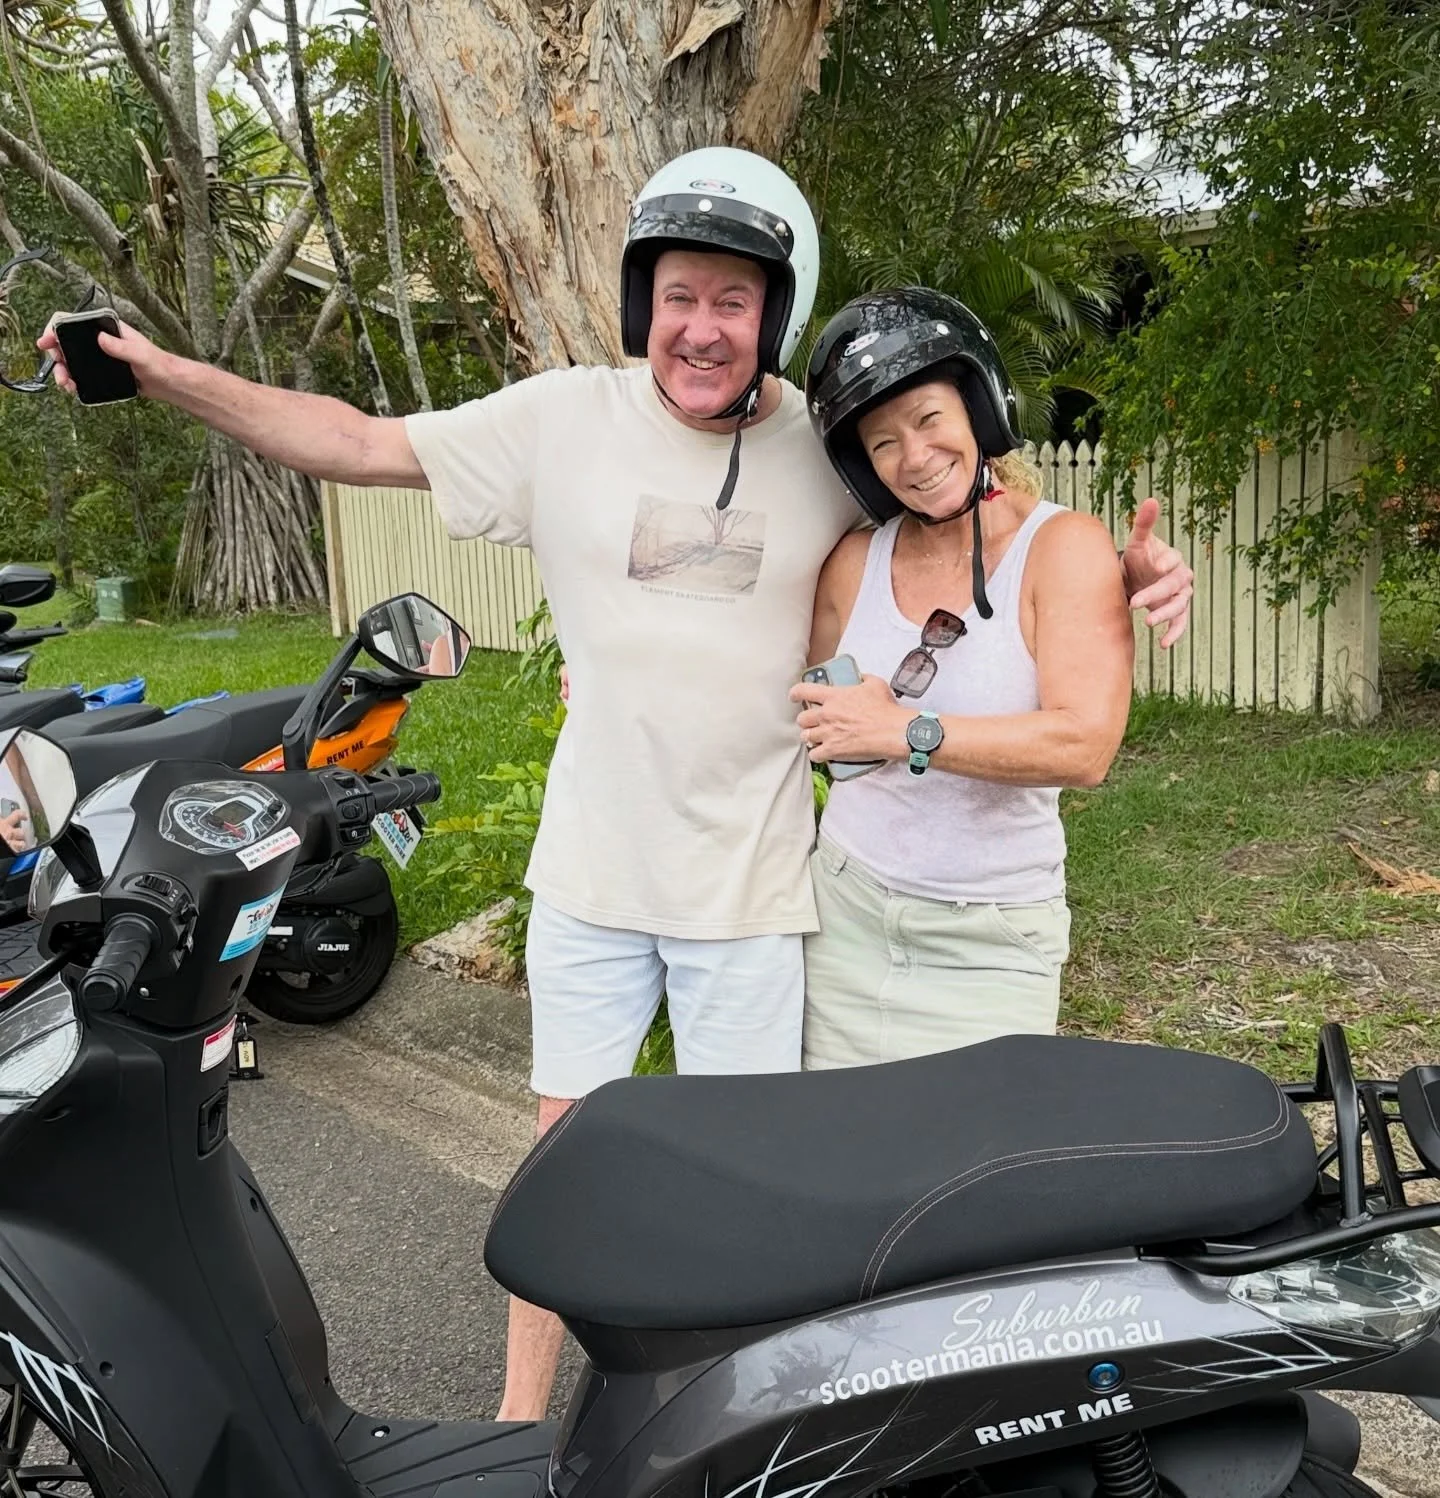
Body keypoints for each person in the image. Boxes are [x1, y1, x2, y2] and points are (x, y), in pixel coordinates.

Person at [38, 146, 1194, 1421]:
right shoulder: (562, 419)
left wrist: (1117, 583)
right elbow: (355, 440)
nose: (705, 328)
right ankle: (523, 1420)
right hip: (593, 867)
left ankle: (717, 1419)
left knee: (748, 1178)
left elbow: (958, 493)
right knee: (565, 1157)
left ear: (774, 318)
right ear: (646, 301)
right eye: (682, 296)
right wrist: (160, 371)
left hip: (755, 886)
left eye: (735, 303)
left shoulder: (825, 442)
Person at [793, 288, 1136, 1068]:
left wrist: (903, 730)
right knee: (841, 1158)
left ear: (978, 408)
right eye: (881, 443)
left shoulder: (1064, 549)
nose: (912, 458)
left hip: (990, 934)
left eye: (928, 420)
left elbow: (1084, 745)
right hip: (843, 911)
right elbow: (788, 690)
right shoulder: (854, 561)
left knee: (976, 1171)